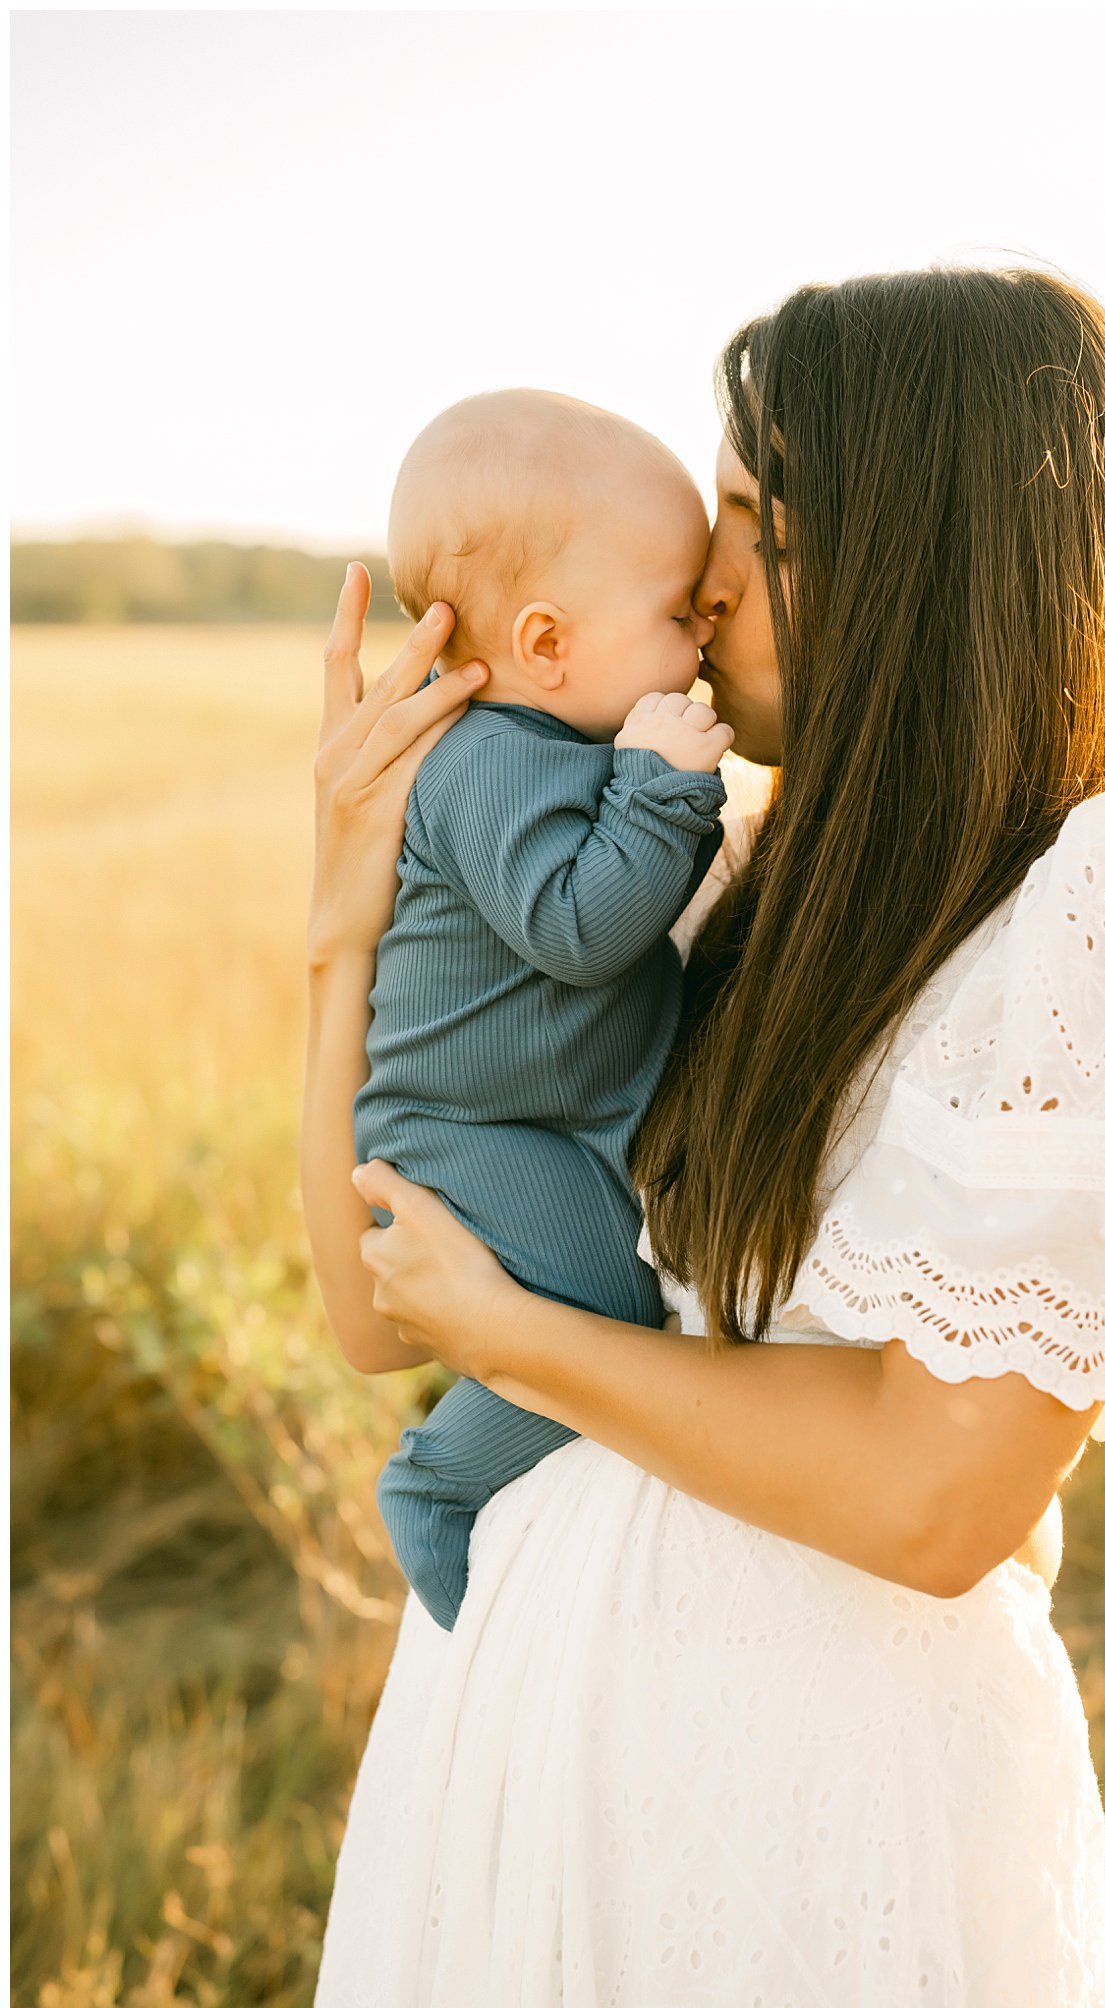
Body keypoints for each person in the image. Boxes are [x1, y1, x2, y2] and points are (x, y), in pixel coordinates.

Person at [301, 265, 1105, 2008]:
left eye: (751, 517)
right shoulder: (758, 881)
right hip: (514, 1755)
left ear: (921, 551)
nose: (701, 578)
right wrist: (342, 932)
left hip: (810, 1806)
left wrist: (526, 1342)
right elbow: (371, 1302)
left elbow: (934, 1498)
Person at [355, 389, 734, 1629]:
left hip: (543, 1115)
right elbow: (576, 932)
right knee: (603, 1302)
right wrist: (663, 791)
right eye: (678, 614)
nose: (701, 641)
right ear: (548, 641)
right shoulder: (487, 762)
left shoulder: (560, 744)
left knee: (622, 1280)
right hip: (465, 1132)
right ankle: (436, 1478)